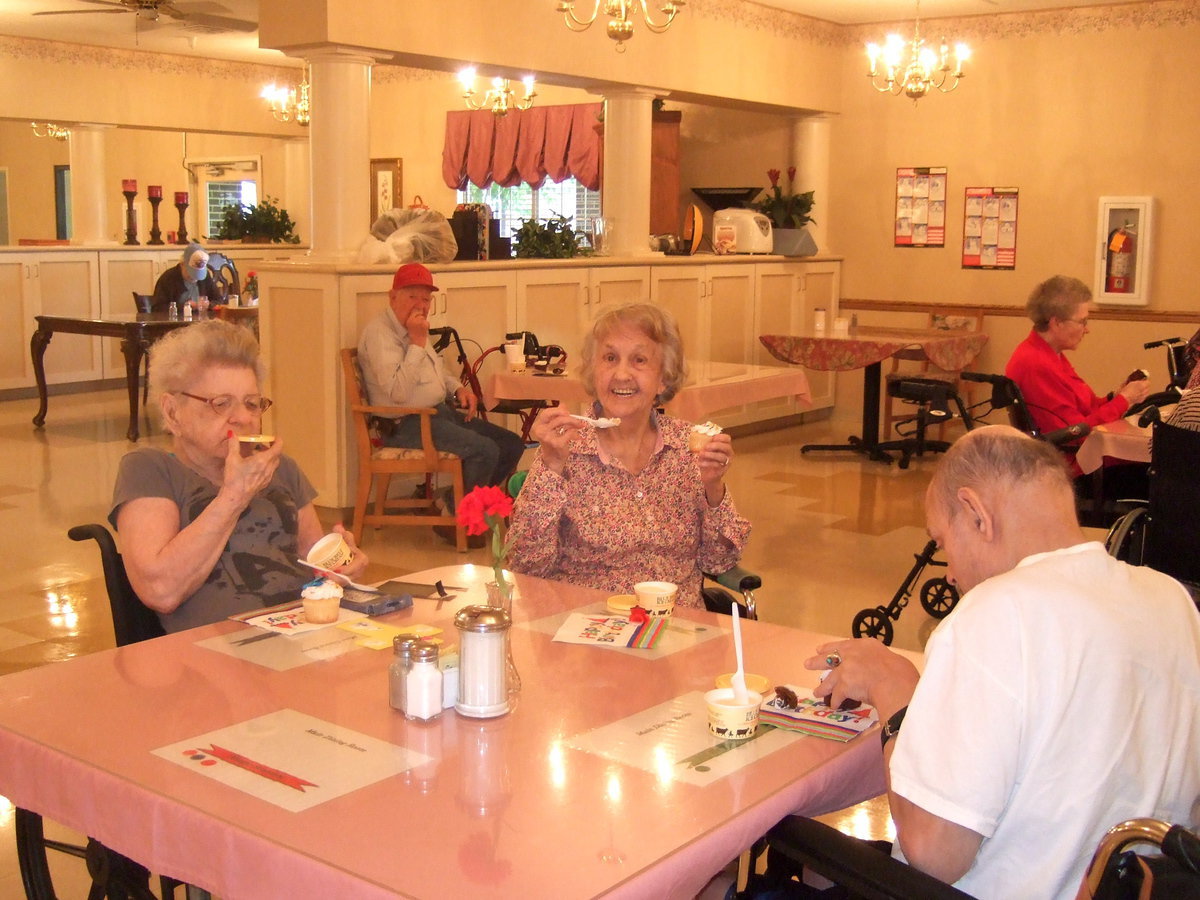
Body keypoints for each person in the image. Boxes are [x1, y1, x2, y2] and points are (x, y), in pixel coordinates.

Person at [806, 426, 1200, 900]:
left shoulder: (997, 612)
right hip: (1140, 886)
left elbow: (934, 855)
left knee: (795, 841)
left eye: (943, 541)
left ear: (976, 514)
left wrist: (894, 689)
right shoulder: (1171, 599)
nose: (951, 575)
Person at [110, 319, 367, 632]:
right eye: (221, 403)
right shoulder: (150, 469)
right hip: (218, 649)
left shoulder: (280, 468)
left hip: (303, 632)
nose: (244, 418)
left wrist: (342, 565)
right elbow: (160, 591)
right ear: (172, 412)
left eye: (252, 404)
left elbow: (317, 567)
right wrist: (235, 496)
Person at [507, 303, 750, 605]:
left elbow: (719, 561)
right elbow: (526, 568)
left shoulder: (687, 449)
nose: (622, 374)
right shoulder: (567, 449)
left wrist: (713, 487)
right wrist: (551, 465)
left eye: (639, 360)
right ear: (594, 370)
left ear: (663, 378)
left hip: (677, 623)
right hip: (589, 622)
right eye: (610, 358)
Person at [356, 262, 525, 545]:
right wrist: (417, 343)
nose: (420, 305)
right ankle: (459, 519)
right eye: (412, 296)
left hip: (438, 413)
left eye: (426, 299)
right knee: (484, 450)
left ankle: (450, 504)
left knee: (511, 444)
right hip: (404, 423)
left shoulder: (414, 329)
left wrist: (458, 387)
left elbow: (437, 370)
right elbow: (398, 393)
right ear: (392, 297)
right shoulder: (380, 334)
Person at [1005, 275, 1150, 471]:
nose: (1086, 329)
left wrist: (1115, 397)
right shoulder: (1036, 364)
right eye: (1082, 321)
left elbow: (1086, 409)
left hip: (1079, 454)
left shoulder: (1050, 354)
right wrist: (1124, 400)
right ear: (1057, 323)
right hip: (1069, 466)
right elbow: (1075, 432)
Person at [150, 242, 223, 314]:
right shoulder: (168, 278)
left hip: (201, 320)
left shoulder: (205, 276)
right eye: (192, 272)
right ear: (182, 264)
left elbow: (219, 300)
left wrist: (209, 305)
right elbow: (157, 308)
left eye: (198, 274)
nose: (195, 278)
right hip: (176, 320)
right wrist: (185, 306)